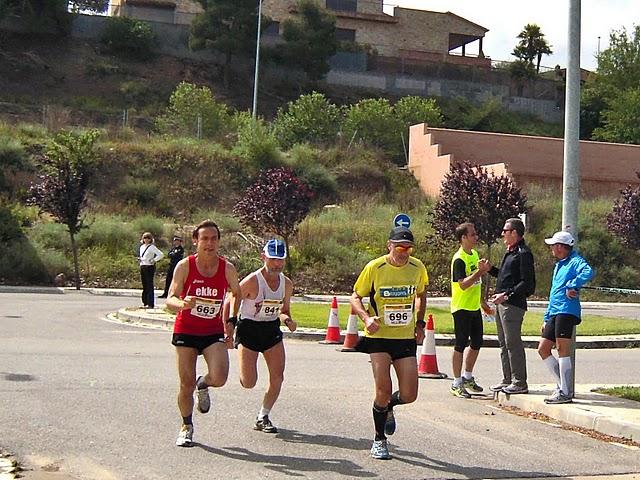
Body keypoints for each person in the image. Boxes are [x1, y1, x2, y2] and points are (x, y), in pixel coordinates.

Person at [350, 226, 429, 460]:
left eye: (408, 247)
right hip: (379, 338)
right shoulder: (375, 267)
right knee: (382, 389)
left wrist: (420, 324)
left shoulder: (417, 267)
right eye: (399, 247)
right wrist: (366, 318)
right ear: (389, 246)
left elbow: (421, 295)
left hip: (404, 338)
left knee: (409, 394)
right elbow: (355, 296)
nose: (403, 252)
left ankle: (389, 407)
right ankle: (378, 440)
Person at [165, 220, 241, 447]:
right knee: (185, 384)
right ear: (196, 241)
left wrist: (231, 320)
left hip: (212, 331)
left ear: (218, 242)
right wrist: (181, 304)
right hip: (186, 330)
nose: (209, 243)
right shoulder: (185, 266)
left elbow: (236, 293)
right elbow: (169, 299)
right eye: (204, 239)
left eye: (214, 238)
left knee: (220, 377)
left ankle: (204, 384)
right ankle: (186, 426)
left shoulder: (227, 267)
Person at [232, 239, 297, 434]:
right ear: (263, 257)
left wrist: (288, 321)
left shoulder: (286, 284)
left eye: (280, 260)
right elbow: (233, 297)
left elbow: (284, 309)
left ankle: (263, 416)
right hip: (249, 329)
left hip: (271, 330)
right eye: (273, 259)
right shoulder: (253, 280)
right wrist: (229, 323)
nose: (277, 264)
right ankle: (243, 368)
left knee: (278, 377)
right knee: (249, 382)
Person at [538, 231, 594, 404]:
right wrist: (547, 317)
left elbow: (588, 272)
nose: (551, 249)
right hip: (554, 312)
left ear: (561, 247)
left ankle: (565, 391)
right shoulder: (559, 265)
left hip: (567, 311)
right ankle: (561, 385)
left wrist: (573, 284)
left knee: (562, 349)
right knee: (543, 348)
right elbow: (554, 292)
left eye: (553, 245)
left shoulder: (575, 261)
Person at [488, 217, 536, 395]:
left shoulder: (523, 253)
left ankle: (519, 382)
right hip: (502, 304)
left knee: (512, 343)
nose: (502, 234)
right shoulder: (511, 252)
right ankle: (507, 379)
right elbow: (506, 276)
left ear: (514, 233)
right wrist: (490, 269)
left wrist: (507, 294)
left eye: (505, 231)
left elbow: (527, 283)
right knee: (503, 343)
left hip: (513, 305)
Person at [449, 223, 492, 398]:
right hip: (461, 308)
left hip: (474, 307)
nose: (476, 237)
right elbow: (463, 284)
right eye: (472, 235)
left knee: (477, 342)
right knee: (460, 344)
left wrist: (483, 303)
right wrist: (480, 273)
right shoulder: (459, 259)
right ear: (463, 238)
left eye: (476, 234)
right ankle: (456, 382)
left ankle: (468, 376)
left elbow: (476, 284)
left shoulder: (474, 254)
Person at [138, 232, 164, 309]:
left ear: (150, 239)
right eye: (145, 238)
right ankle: (145, 302)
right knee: (144, 285)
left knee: (149, 285)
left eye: (148, 238)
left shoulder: (152, 247)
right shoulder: (141, 247)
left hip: (149, 267)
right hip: (143, 265)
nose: (146, 239)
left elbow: (161, 254)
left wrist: (154, 260)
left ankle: (150, 303)